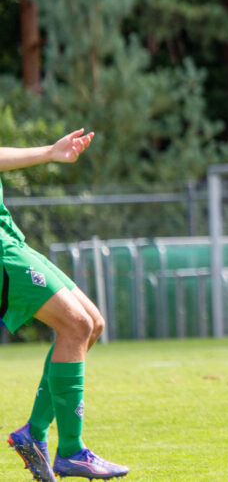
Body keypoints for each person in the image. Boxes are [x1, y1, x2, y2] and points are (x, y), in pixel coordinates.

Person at [3, 129, 130, 480]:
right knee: (77, 325)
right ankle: (71, 450)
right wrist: (50, 152)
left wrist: (52, 152)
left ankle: (34, 433)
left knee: (92, 322)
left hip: (11, 238)